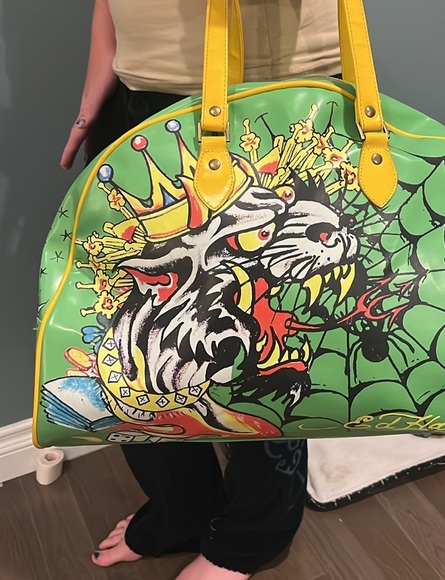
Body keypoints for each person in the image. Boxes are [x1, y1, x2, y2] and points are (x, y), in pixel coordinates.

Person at [60, 1, 341, 579]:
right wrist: (98, 91)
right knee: (126, 339)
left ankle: (251, 537)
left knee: (259, 344)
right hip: (140, 97)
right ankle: (182, 511)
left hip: (275, 98)